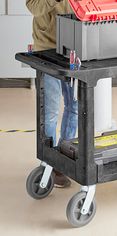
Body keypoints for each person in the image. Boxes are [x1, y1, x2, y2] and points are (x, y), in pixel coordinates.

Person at [26, 0, 78, 188]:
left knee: (75, 107)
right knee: (50, 111)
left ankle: (64, 157)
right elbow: (33, 7)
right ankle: (49, 162)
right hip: (47, 49)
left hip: (75, 49)